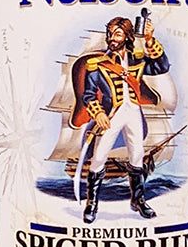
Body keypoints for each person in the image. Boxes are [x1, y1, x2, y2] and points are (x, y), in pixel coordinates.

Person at [71, 16, 170, 222]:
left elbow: (161, 66)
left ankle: (138, 200)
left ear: (127, 36)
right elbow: (88, 95)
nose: (112, 38)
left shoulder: (137, 59)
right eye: (110, 34)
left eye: (117, 34)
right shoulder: (97, 65)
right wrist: (98, 112)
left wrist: (150, 39)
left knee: (137, 155)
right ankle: (92, 203)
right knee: (99, 156)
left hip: (133, 112)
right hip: (111, 114)